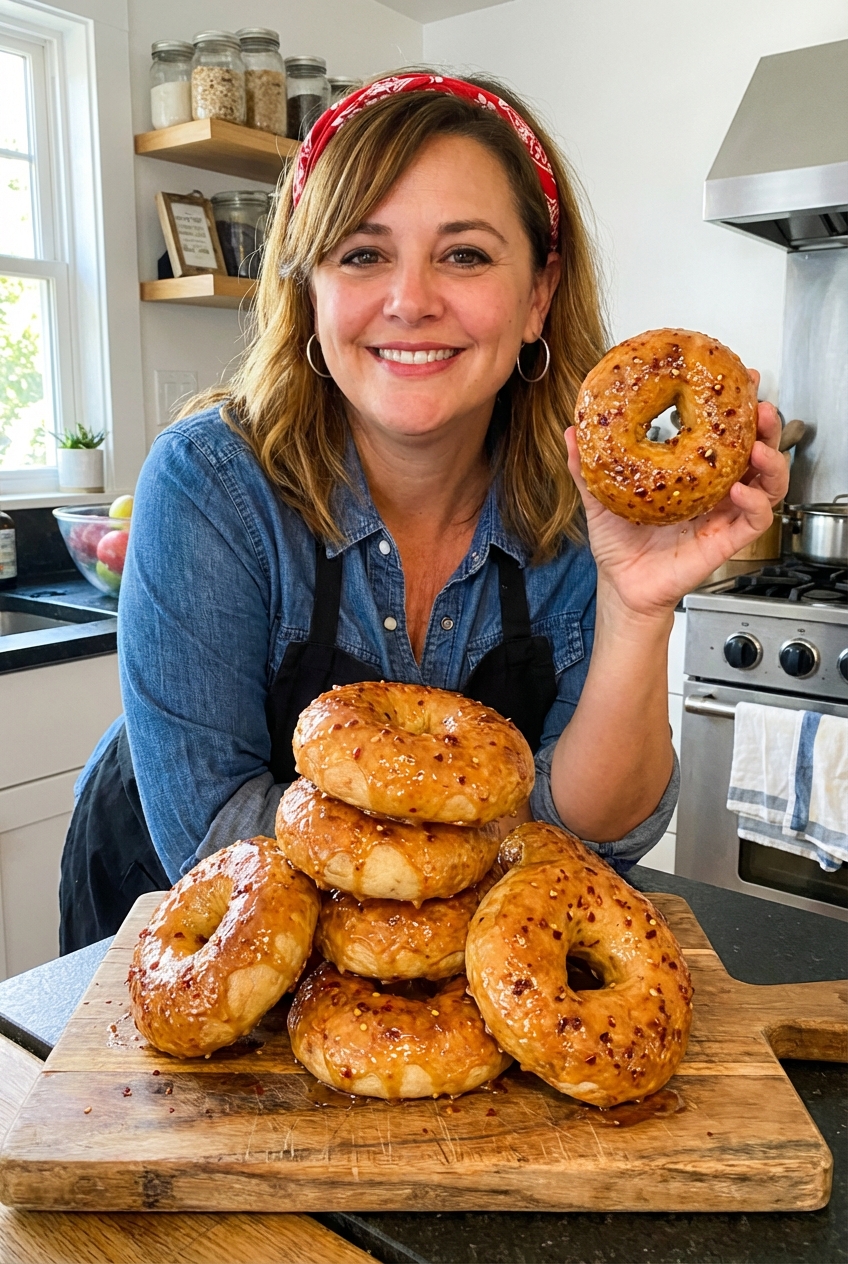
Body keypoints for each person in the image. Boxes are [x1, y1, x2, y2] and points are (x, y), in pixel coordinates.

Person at [59, 71, 788, 952]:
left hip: (443, 987)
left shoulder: (584, 508)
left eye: (466, 254)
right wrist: (492, 888)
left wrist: (638, 606)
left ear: (538, 296)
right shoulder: (211, 487)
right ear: (310, 291)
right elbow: (221, 842)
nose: (411, 300)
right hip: (193, 928)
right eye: (363, 254)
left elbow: (593, 843)